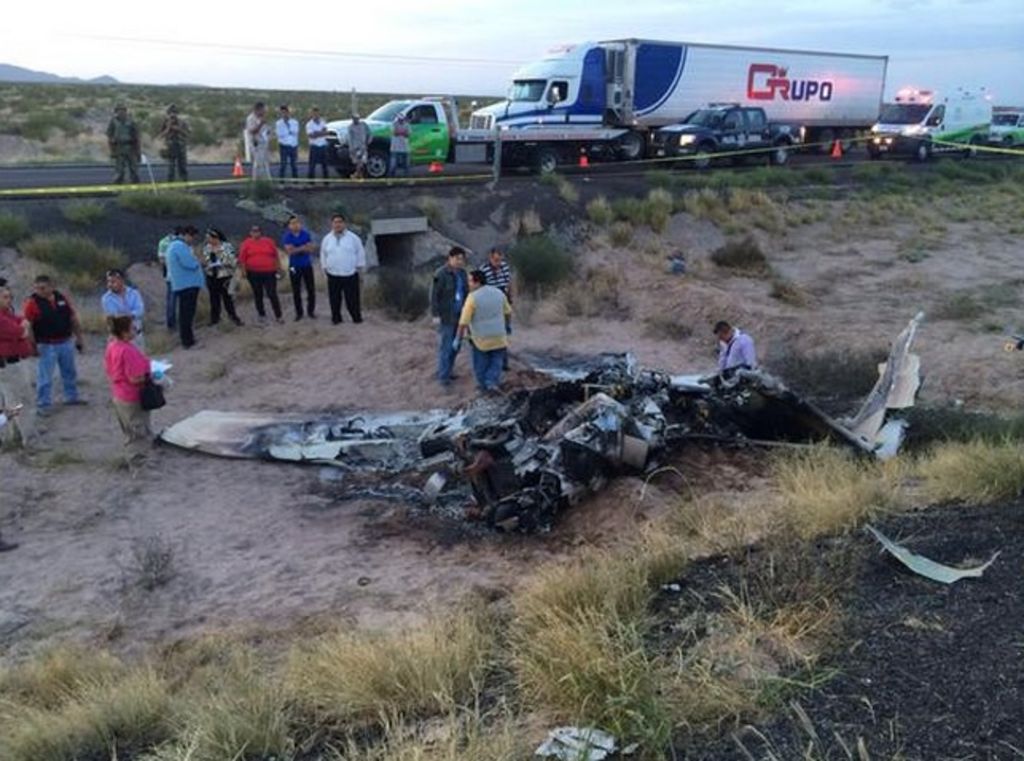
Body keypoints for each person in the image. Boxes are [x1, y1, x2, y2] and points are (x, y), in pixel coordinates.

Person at [23, 275, 85, 415]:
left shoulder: (61, 298)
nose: (40, 291)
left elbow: (72, 318)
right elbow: (28, 326)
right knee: (45, 377)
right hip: (46, 344)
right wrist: (32, 346)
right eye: (37, 288)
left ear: (51, 286)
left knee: (69, 371)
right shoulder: (32, 303)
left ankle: (71, 397)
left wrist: (79, 338)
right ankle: (43, 404)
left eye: (43, 288)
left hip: (65, 341)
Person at [104, 314, 153, 469]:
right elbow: (135, 378)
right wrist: (153, 378)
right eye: (132, 328)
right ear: (124, 332)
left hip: (119, 395)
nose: (135, 330)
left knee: (129, 431)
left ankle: (132, 461)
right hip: (132, 397)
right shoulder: (127, 350)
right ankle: (138, 466)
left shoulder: (112, 346)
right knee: (138, 433)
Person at [457, 269, 512, 393]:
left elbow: (464, 321)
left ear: (477, 282)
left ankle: (484, 386)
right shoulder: (498, 293)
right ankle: (492, 381)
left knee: (480, 364)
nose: (468, 284)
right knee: (497, 361)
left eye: (470, 281)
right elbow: (508, 312)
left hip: (481, 338)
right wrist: (507, 326)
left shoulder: (473, 297)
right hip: (499, 336)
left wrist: (458, 338)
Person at [0, 283, 36, 448]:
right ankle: (29, 439)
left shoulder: (6, 314)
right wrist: (23, 328)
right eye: (5, 297)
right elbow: (21, 331)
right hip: (10, 364)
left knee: (10, 400)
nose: (9, 300)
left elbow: (21, 320)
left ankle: (12, 436)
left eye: (10, 297)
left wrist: (22, 325)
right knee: (23, 400)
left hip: (10, 363)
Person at [430, 247, 468, 387]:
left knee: (456, 346)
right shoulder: (440, 274)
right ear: (450, 258)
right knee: (446, 346)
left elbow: (467, 293)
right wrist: (435, 314)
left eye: (461, 259)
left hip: (460, 315)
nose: (459, 262)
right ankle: (443, 376)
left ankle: (449, 370)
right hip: (446, 316)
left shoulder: (463, 274)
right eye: (457, 258)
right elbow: (434, 296)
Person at [319, 213, 365, 324]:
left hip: (350, 273)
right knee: (334, 299)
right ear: (332, 224)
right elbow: (323, 254)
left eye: (340, 222)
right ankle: (336, 319)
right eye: (335, 222)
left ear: (344, 223)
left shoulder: (353, 238)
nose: (337, 224)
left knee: (352, 299)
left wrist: (359, 268)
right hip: (333, 274)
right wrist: (324, 267)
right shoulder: (327, 239)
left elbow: (360, 253)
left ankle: (356, 318)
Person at [166, 226, 204, 348]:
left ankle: (188, 338)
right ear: (186, 234)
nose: (192, 240)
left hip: (186, 285)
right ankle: (188, 342)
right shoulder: (179, 246)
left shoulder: (175, 245)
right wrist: (198, 261)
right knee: (186, 314)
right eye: (192, 237)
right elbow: (190, 263)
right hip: (187, 285)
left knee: (186, 313)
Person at [239, 224, 284, 323]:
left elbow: (276, 256)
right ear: (250, 233)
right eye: (253, 231)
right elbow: (242, 259)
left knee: (272, 293)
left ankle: (278, 315)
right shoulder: (246, 243)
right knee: (257, 293)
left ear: (261, 232)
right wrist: (243, 271)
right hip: (253, 272)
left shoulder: (269, 241)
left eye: (257, 231)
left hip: (269, 271)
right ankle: (261, 314)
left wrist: (279, 268)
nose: (256, 233)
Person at [480, 246, 514, 370]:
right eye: (495, 260)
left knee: (503, 333)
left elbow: (509, 283)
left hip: (503, 300)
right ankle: (491, 361)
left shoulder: (504, 267)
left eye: (499, 260)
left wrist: (510, 299)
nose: (498, 263)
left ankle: (504, 363)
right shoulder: (484, 270)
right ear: (490, 257)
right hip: (490, 302)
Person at [201, 228, 243, 326]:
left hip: (225, 276)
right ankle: (215, 318)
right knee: (214, 299)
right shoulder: (207, 248)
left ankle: (233, 317)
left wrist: (222, 262)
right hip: (211, 276)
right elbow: (205, 260)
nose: (208, 240)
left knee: (228, 299)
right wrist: (207, 264)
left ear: (215, 238)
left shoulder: (227, 246)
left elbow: (233, 261)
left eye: (209, 238)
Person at [281, 215, 316, 320]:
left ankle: (311, 311)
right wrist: (303, 247)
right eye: (292, 223)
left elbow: (310, 249)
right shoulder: (287, 236)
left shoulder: (306, 234)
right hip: (293, 267)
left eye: (297, 222)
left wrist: (296, 248)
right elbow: (289, 251)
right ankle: (299, 313)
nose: (295, 225)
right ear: (289, 225)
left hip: (307, 265)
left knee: (311, 289)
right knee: (296, 290)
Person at [101, 268, 145, 348]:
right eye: (108, 281)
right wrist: (131, 315)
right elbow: (114, 316)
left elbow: (140, 310)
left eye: (113, 282)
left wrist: (126, 316)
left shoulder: (134, 293)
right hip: (118, 337)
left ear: (121, 280)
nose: (110, 284)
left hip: (136, 335)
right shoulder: (106, 298)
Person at [105, 104, 140, 184]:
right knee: (119, 170)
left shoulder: (131, 122)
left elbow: (137, 137)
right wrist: (112, 150)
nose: (121, 112)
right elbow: (109, 136)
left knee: (134, 169)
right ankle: (117, 187)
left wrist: (138, 151)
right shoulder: (113, 122)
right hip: (119, 148)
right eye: (119, 111)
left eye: (123, 110)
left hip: (130, 148)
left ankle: (136, 187)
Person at [158, 104, 190, 182]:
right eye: (171, 113)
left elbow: (187, 134)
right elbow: (160, 135)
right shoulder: (165, 123)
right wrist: (168, 128)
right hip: (170, 147)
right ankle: (170, 186)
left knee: (182, 168)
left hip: (181, 147)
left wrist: (179, 130)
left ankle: (185, 185)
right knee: (170, 169)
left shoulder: (182, 122)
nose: (172, 114)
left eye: (174, 112)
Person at [246, 102, 272, 181]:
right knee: (258, 164)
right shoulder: (251, 118)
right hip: (256, 145)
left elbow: (266, 130)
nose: (264, 112)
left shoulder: (262, 118)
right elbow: (252, 131)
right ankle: (257, 181)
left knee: (265, 163)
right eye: (263, 110)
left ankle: (267, 180)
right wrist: (261, 124)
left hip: (264, 143)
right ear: (258, 109)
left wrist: (269, 132)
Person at [157, 229, 177, 330]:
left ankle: (171, 322)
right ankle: (172, 322)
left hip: (168, 273)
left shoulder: (163, 242)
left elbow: (161, 260)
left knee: (170, 297)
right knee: (173, 298)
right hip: (174, 274)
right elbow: (162, 260)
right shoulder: (174, 242)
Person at [275, 105, 299, 180]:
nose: (284, 114)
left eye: (285, 112)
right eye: (282, 113)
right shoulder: (278, 123)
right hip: (284, 146)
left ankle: (296, 182)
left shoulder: (294, 122)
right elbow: (280, 134)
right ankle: (281, 182)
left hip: (293, 146)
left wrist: (288, 130)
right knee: (283, 164)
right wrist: (288, 132)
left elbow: (295, 132)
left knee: (294, 165)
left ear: (288, 113)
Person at [306, 106, 330, 181]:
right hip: (314, 147)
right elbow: (311, 136)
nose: (316, 115)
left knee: (325, 165)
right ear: (312, 114)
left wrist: (317, 133)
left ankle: (326, 182)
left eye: (317, 113)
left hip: (323, 146)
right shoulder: (309, 124)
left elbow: (326, 133)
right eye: (314, 113)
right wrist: (321, 132)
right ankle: (311, 182)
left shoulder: (323, 122)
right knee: (312, 166)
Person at [348, 114, 371, 179]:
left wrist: (368, 142)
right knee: (358, 161)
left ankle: (357, 175)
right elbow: (350, 139)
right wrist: (351, 148)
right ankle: (359, 175)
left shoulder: (364, 125)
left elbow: (369, 133)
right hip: (355, 147)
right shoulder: (350, 127)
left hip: (363, 146)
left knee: (362, 161)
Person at [389, 113, 411, 177]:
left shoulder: (407, 124)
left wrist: (399, 132)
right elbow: (394, 132)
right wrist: (403, 132)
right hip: (395, 147)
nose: (401, 121)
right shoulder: (393, 124)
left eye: (402, 119)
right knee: (393, 164)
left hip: (405, 147)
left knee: (407, 164)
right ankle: (391, 177)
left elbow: (408, 134)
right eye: (400, 119)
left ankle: (406, 177)